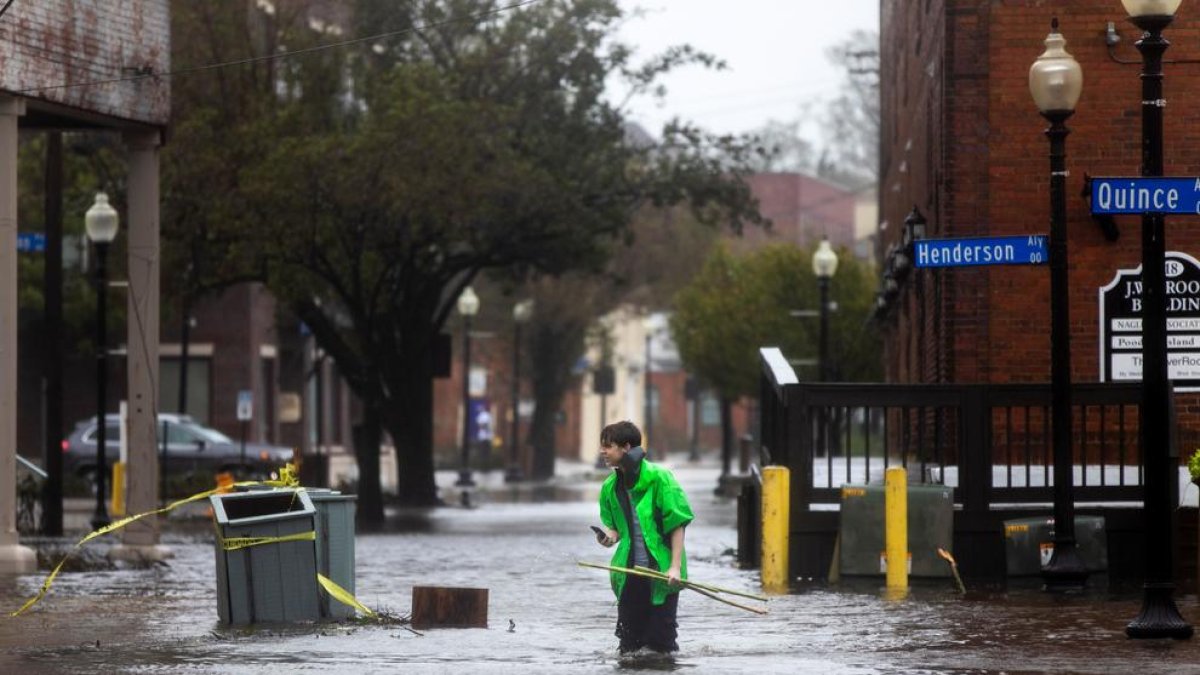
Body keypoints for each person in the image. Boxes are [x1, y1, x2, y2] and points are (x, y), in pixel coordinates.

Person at [596, 420, 694, 655]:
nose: (602, 451)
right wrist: (608, 538)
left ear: (626, 447)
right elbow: (617, 530)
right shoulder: (610, 487)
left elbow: (677, 524)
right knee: (629, 648)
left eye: (608, 446)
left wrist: (674, 567)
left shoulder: (660, 478)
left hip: (662, 573)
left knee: (661, 646)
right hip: (629, 573)